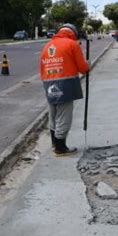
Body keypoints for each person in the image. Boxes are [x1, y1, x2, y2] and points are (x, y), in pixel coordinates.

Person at [40, 23, 89, 156]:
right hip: (65, 84)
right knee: (64, 116)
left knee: (53, 115)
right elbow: (82, 67)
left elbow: (42, 68)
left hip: (48, 83)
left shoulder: (47, 46)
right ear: (73, 33)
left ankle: (54, 144)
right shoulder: (72, 44)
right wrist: (87, 65)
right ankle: (60, 148)